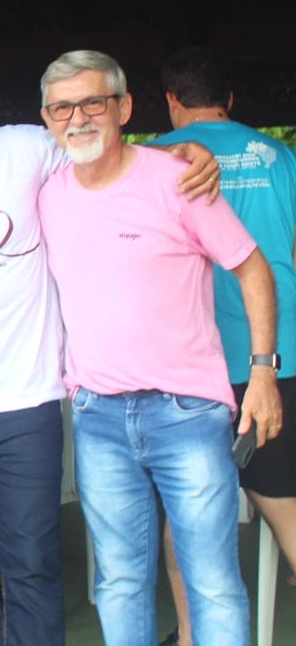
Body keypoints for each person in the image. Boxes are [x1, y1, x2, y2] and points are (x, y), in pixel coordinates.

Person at [0, 42, 220, 645]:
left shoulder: (26, 150)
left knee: (32, 563)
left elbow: (105, 154)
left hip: (24, 402)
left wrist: (179, 150)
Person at [36, 49, 282, 646]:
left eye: (94, 102)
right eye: (63, 107)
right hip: (98, 416)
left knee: (214, 582)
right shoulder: (46, 193)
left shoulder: (176, 178)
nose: (79, 118)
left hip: (188, 413)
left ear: (124, 107)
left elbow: (253, 269)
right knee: (118, 582)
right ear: (46, 119)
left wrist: (264, 373)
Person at [149, 45, 296, 646]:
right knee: (286, 505)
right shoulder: (279, 156)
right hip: (278, 354)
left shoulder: (153, 159)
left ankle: (188, 637)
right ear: (231, 100)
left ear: (171, 100)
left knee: (184, 518)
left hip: (190, 363)